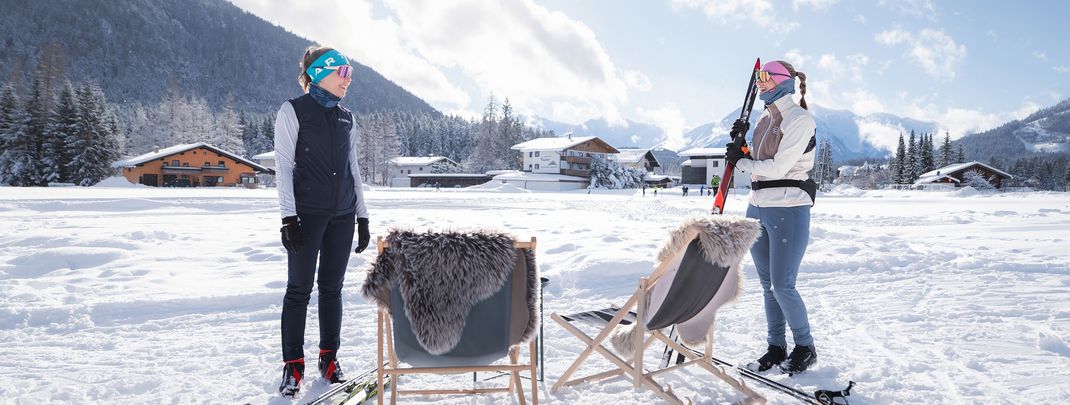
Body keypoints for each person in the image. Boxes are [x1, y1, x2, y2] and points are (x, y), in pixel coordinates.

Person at [274, 45, 371, 397]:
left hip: (343, 215)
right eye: (342, 73)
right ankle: (293, 367)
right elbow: (283, 165)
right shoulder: (293, 110)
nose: (348, 81)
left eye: (350, 75)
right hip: (307, 215)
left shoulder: (347, 117)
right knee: (298, 290)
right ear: (319, 73)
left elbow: (353, 168)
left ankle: (329, 360)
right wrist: (288, 218)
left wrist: (362, 216)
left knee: (332, 289)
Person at [725, 60, 819, 375]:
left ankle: (805, 347)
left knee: (783, 285)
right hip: (757, 205)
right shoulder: (765, 117)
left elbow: (778, 168)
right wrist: (742, 146)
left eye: (765, 77)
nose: (759, 82)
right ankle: (776, 347)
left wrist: (741, 163)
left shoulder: (800, 119)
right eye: (757, 77)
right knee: (767, 285)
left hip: (788, 206)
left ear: (783, 80)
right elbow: (760, 160)